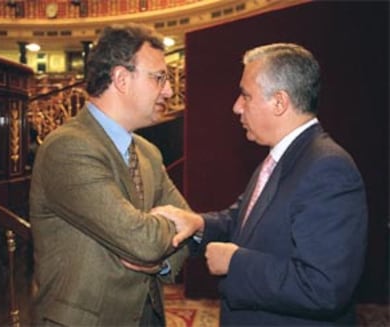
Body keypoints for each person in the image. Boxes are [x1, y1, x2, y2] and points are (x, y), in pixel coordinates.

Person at [153, 43, 368, 326]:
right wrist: (198, 224)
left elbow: (324, 287)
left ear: (279, 102)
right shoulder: (281, 157)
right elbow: (242, 221)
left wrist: (235, 263)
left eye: (245, 96)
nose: (236, 107)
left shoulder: (328, 169)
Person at [29, 23, 190, 326]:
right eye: (159, 78)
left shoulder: (148, 152)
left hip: (149, 316)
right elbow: (143, 241)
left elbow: (188, 226)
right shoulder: (67, 147)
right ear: (121, 79)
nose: (168, 90)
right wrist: (164, 234)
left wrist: (161, 260)